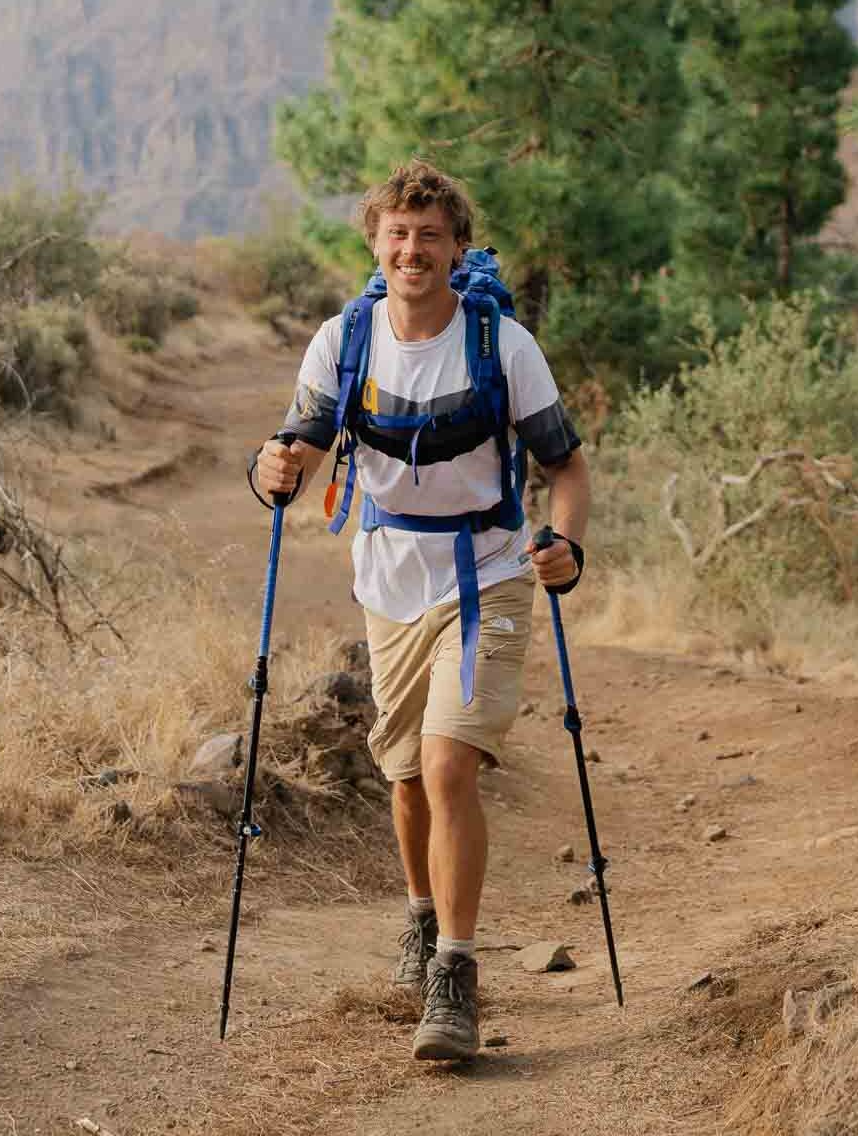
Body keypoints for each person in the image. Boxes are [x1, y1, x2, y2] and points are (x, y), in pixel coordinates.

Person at [253, 159, 590, 1061]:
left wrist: (565, 546)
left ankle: (455, 973)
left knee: (446, 769)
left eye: (430, 236)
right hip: (388, 579)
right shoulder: (343, 339)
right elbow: (297, 447)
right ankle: (419, 913)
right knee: (403, 778)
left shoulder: (501, 346)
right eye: (398, 235)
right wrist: (271, 470)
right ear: (376, 243)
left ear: (457, 248)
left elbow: (566, 468)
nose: (413, 250)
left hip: (489, 570)